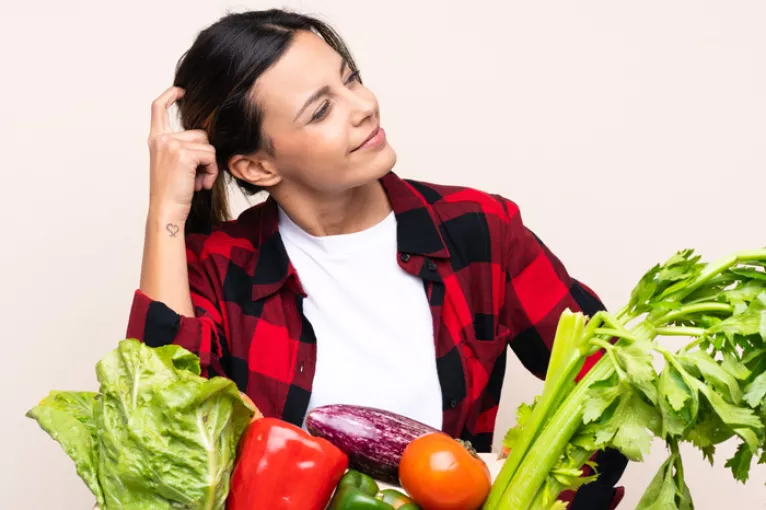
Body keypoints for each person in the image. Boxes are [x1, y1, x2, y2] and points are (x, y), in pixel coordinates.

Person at [126, 8, 627, 509]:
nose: (364, 106)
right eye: (321, 110)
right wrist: (166, 210)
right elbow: (161, 450)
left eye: (351, 79)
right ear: (256, 166)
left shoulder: (478, 230)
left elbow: (614, 383)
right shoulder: (217, 268)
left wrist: (533, 493)